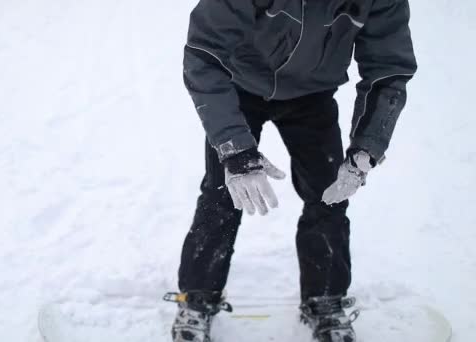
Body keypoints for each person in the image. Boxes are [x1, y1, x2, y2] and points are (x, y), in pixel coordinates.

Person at [163, 0, 417, 341]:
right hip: (240, 87)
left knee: (329, 197)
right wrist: (235, 152)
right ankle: (196, 298)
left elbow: (388, 69)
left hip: (313, 96)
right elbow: (204, 55)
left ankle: (325, 301)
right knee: (223, 193)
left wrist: (366, 148)